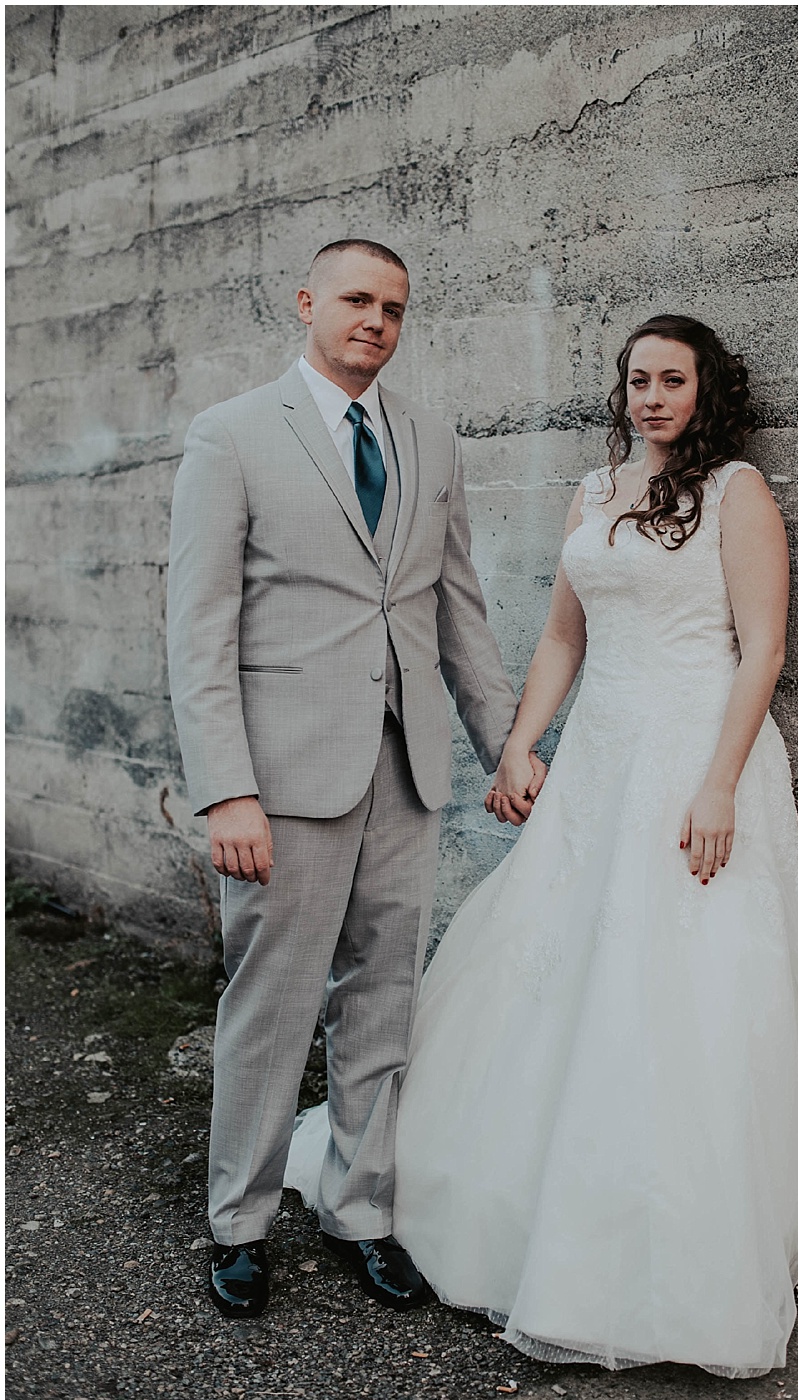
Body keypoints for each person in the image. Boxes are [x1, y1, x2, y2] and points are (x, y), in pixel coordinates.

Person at [286, 314, 798, 1378]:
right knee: (551, 966)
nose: (651, 396)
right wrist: (521, 746)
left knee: (673, 985)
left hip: (692, 757)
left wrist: (717, 782)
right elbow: (566, 636)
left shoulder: (736, 493)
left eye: (672, 380)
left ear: (706, 391)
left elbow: (762, 648)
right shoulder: (594, 490)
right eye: (637, 379)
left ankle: (652, 1265)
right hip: (600, 763)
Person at [166, 239, 539, 1320]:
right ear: (307, 304)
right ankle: (237, 1222)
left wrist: (503, 742)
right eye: (356, 301)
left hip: (406, 766)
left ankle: (361, 1213)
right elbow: (199, 632)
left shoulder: (428, 437)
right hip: (280, 776)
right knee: (272, 1003)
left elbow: (454, 607)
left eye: (394, 308)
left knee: (385, 997)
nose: (376, 321)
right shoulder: (230, 436)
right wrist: (224, 788)